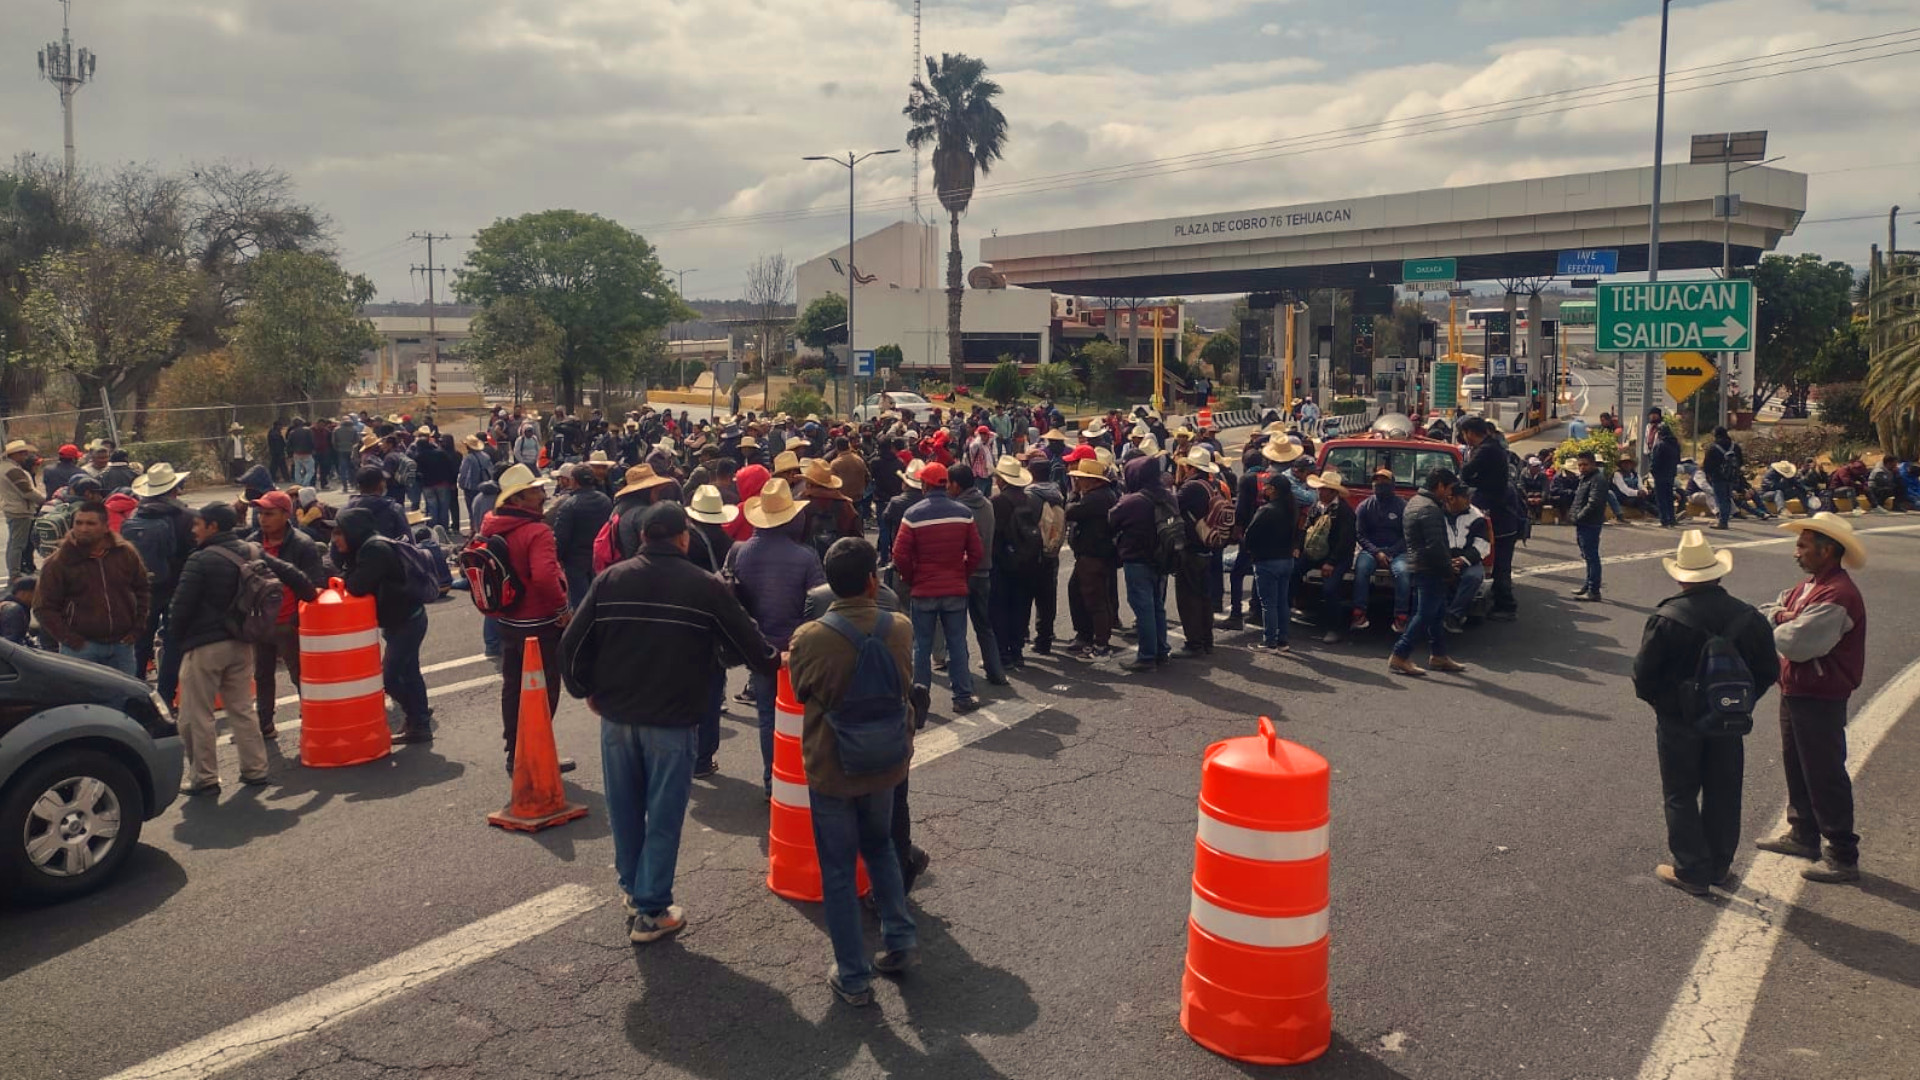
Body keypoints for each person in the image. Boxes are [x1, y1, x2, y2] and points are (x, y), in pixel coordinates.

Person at [561, 502, 779, 943]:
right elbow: (752, 647)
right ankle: (653, 908)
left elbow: (571, 645)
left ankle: (634, 891)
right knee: (662, 815)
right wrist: (779, 658)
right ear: (683, 537)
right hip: (673, 719)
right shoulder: (704, 586)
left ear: (642, 537)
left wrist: (587, 691)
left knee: (625, 810)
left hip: (617, 718)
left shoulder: (610, 579)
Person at [787, 537, 920, 1005]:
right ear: (872, 580)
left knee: (839, 868)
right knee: (881, 845)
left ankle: (853, 975)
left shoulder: (810, 637)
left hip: (834, 765)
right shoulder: (899, 627)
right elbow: (905, 682)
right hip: (885, 759)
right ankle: (899, 938)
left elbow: (801, 691)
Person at [1632, 530, 1778, 894]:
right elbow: (1767, 671)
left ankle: (1691, 869)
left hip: (1678, 719)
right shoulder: (1747, 616)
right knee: (1724, 789)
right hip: (1728, 717)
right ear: (1719, 573)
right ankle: (1719, 866)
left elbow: (1644, 677)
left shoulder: (1667, 617)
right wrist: (1736, 701)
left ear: (1681, 576)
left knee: (1680, 792)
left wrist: (1667, 706)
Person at [169, 503, 317, 794]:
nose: (193, 530)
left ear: (213, 527)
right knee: (242, 710)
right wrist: (312, 596)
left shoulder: (199, 560)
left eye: (198, 524)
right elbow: (294, 576)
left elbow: (180, 608)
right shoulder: (251, 551)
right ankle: (255, 770)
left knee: (195, 715)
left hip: (204, 647)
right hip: (241, 643)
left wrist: (176, 641)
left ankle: (205, 777)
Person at [1755, 513, 1869, 884]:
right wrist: (1783, 616)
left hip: (1819, 692)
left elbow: (1797, 643)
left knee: (1823, 770)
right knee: (1798, 763)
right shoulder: (1812, 586)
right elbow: (1774, 611)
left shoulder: (1837, 593)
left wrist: (1779, 618)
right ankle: (1803, 832)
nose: (1796, 553)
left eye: (1803, 546)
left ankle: (1841, 852)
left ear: (1827, 550)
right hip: (1798, 688)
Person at [726, 478, 827, 794]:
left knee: (768, 715)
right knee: (808, 713)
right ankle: (804, 778)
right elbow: (820, 600)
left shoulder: (740, 553)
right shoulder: (805, 556)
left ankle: (773, 781)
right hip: (798, 646)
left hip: (758, 646)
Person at [479, 464, 572, 773]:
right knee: (544, 690)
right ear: (518, 499)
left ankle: (514, 750)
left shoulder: (492, 525)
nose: (542, 495)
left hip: (507, 618)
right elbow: (545, 577)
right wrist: (561, 609)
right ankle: (537, 750)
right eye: (535, 491)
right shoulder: (537, 531)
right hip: (539, 622)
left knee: (513, 686)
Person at [334, 506, 435, 744]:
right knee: (409, 672)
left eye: (339, 533)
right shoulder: (366, 548)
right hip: (403, 619)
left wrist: (344, 572)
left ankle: (418, 717)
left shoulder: (374, 550)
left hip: (407, 622)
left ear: (353, 531)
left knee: (389, 677)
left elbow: (357, 585)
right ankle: (418, 720)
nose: (335, 540)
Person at [891, 462, 983, 715]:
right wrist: (961, 574)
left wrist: (912, 577)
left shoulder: (913, 514)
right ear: (945, 483)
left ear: (924, 484)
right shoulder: (963, 513)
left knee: (921, 646)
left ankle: (919, 698)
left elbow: (899, 554)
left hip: (923, 589)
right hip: (954, 588)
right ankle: (962, 696)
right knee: (957, 643)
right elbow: (976, 552)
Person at [243, 491, 326, 739]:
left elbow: (315, 583)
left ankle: (313, 717)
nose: (263, 519)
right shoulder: (252, 542)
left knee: (299, 673)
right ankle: (265, 723)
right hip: (261, 622)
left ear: (285, 515)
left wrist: (301, 620)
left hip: (290, 623)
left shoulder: (301, 543)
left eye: (269, 514)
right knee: (262, 674)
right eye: (260, 514)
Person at [32, 502, 150, 677]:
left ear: (105, 527)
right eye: (78, 523)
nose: (83, 529)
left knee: (124, 701)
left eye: (90, 523)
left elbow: (142, 589)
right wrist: (71, 640)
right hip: (81, 649)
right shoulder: (59, 561)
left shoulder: (125, 553)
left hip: (122, 646)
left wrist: (137, 628)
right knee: (84, 702)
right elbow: (43, 607)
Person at [1389, 468, 1468, 678]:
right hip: (1430, 568)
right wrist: (1447, 568)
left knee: (1437, 613)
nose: (1450, 494)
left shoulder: (1415, 502)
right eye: (1449, 489)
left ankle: (1439, 655)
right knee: (1425, 614)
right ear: (1440, 485)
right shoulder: (1430, 508)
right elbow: (1435, 545)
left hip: (1422, 564)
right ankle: (1400, 654)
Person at [1109, 455, 1177, 672]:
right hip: (1163, 558)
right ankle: (1161, 649)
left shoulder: (1132, 501)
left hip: (1138, 560)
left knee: (1143, 607)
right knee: (1157, 606)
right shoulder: (1168, 496)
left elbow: (1111, 519)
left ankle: (1147, 656)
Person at [945, 465, 1007, 686]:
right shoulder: (987, 504)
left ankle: (961, 678)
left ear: (957, 485)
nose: (946, 487)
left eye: (948, 483)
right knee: (984, 625)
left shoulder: (957, 509)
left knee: (957, 628)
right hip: (984, 572)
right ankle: (996, 672)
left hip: (962, 573)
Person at [987, 454, 1046, 669]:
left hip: (1002, 564)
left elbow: (994, 535)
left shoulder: (997, 502)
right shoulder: (1030, 499)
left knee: (999, 610)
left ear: (1001, 480)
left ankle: (1003, 654)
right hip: (1027, 561)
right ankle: (1018, 651)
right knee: (1020, 608)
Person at [1457, 417, 1519, 620]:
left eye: (1464, 434)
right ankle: (1501, 601)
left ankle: (1506, 605)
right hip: (1500, 513)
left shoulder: (1485, 450)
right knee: (1500, 563)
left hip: (1499, 518)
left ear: (1470, 432)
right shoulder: (1493, 447)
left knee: (1500, 563)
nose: (1465, 438)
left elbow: (1466, 472)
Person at [1063, 455, 1118, 659]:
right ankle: (1086, 636)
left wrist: (1074, 495)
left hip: (1094, 556)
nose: (1077, 482)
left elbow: (1070, 511)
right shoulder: (1103, 495)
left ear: (1093, 480)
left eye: (1082, 478)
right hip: (1093, 555)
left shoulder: (1096, 498)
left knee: (1095, 600)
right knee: (1078, 593)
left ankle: (1101, 644)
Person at [1240, 471, 1298, 653]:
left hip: (1267, 561)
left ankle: (1269, 641)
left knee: (1268, 604)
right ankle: (1282, 640)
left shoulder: (1266, 510)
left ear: (1273, 490)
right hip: (1286, 560)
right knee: (1282, 602)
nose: (1264, 489)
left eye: (1266, 486)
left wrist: (1250, 549)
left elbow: (1250, 535)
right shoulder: (1292, 509)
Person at [1171, 447, 1220, 657]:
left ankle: (1194, 644)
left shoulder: (1190, 488)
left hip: (1191, 548)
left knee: (1188, 598)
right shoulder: (1212, 485)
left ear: (1191, 468)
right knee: (1204, 597)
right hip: (1207, 546)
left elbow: (1171, 505)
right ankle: (1206, 640)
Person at [1352, 467, 1411, 633]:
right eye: (1376, 482)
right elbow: (1359, 534)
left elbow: (1407, 536)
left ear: (1392, 485)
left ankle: (1401, 617)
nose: (1379, 485)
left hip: (1397, 551)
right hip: (1371, 551)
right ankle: (1359, 613)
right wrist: (1376, 552)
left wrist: (1391, 552)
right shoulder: (1365, 506)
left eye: (1384, 482)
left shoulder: (1403, 506)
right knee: (1361, 569)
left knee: (1403, 574)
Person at [1303, 471, 1357, 644]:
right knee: (1291, 571)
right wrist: (1298, 549)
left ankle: (1334, 627)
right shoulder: (1316, 506)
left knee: (1330, 588)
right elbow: (1306, 529)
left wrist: (1331, 563)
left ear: (1333, 492)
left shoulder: (1344, 512)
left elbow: (1345, 542)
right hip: (1315, 553)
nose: (1320, 492)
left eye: (1324, 489)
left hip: (1337, 557)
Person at [551, 464, 611, 607]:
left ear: (574, 481)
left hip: (575, 560)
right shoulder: (605, 500)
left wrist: (557, 558)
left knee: (579, 603)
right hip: (599, 556)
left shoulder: (569, 505)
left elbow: (561, 537)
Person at [1440, 483, 1489, 633]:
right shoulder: (1436, 514)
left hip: (1468, 560)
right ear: (1451, 499)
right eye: (1465, 497)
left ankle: (1453, 615)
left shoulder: (1477, 516)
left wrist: (1463, 560)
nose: (1469, 499)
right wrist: (1445, 561)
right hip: (1442, 558)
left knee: (1474, 576)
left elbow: (1483, 545)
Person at [3, 440, 47, 582]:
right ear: (14, 455)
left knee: (14, 543)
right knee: (18, 544)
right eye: (23, 453)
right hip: (20, 510)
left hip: (13, 508)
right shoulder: (13, 471)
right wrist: (44, 500)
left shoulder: (6, 467)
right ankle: (15, 574)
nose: (25, 456)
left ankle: (15, 571)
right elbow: (27, 491)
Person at [1568, 450, 1607, 602]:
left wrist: (1579, 516)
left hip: (1590, 523)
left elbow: (1594, 503)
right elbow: (1578, 499)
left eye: (1585, 464)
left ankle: (1594, 590)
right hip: (1583, 522)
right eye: (1580, 465)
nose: (1582, 468)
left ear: (1592, 464)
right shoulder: (1585, 478)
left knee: (1592, 557)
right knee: (1587, 556)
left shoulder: (1598, 479)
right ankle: (1587, 585)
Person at [414, 428, 459, 532]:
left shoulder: (418, 456)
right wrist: (452, 482)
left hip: (427, 485)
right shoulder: (440, 453)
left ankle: (433, 530)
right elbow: (450, 468)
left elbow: (417, 472)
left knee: (432, 507)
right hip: (442, 484)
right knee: (444, 507)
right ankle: (444, 529)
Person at [347, 466, 411, 540]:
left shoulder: (345, 511)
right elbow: (409, 545)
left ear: (359, 486)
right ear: (381, 484)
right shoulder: (394, 509)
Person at [1701, 427, 1737, 530]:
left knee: (1720, 499)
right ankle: (1725, 518)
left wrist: (1708, 475)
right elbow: (1740, 461)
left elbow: (1707, 464)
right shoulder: (1734, 446)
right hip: (1730, 477)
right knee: (1727, 498)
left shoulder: (1713, 448)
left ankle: (1723, 522)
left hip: (1717, 477)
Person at [1647, 423, 1681, 527]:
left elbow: (1655, 461)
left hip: (1660, 475)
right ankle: (1672, 519)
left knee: (1661, 498)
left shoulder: (1660, 445)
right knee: (1669, 497)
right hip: (1671, 474)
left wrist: (1653, 471)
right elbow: (1678, 460)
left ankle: (1664, 520)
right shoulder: (1676, 444)